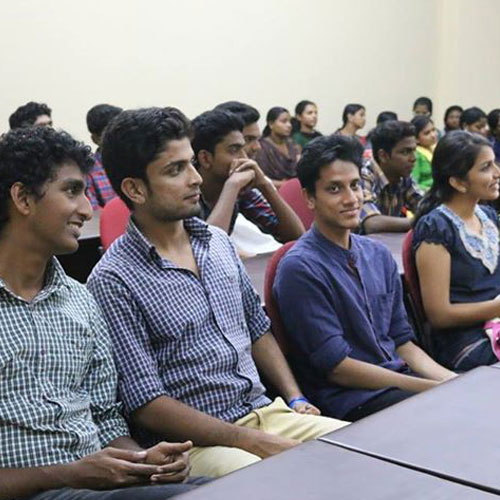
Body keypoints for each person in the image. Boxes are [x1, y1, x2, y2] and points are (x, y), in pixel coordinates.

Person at [87, 107, 347, 478]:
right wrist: (251, 441)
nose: (195, 178)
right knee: (271, 480)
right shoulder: (114, 279)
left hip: (265, 414)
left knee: (359, 450)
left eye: (192, 163)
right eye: (175, 170)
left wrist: (295, 396)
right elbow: (147, 403)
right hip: (194, 442)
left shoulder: (217, 243)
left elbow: (257, 329)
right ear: (135, 189)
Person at [0, 126, 205, 500]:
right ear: (23, 199)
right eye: (71, 191)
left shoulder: (79, 300)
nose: (86, 209)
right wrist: (66, 474)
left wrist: (142, 462)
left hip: (93, 485)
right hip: (35, 492)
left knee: (231, 488)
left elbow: (106, 420)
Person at [273, 135, 455, 421]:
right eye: (334, 189)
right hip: (351, 400)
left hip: (399, 383)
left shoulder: (378, 254)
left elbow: (402, 342)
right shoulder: (300, 269)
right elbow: (338, 368)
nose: (351, 199)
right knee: (450, 415)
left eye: (355, 185)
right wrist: (428, 388)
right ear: (309, 198)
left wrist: (452, 381)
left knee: (471, 399)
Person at [413, 131, 500, 371]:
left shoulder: (489, 216)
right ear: (458, 182)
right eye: (486, 167)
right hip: (466, 341)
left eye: (494, 163)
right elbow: (440, 315)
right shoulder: (437, 228)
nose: (497, 173)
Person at [192, 109, 303, 240]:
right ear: (205, 158)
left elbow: (297, 236)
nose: (244, 158)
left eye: (243, 149)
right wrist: (231, 187)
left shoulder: (243, 189)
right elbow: (211, 247)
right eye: (234, 150)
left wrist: (264, 185)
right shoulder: (187, 192)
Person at [360, 120, 423, 233]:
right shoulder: (364, 175)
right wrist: (418, 222)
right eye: (405, 152)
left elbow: (423, 205)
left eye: (414, 151)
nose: (413, 158)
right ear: (383, 156)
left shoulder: (403, 176)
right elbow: (371, 223)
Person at [86, 104, 122, 209]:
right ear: (95, 139)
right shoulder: (88, 171)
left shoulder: (139, 159)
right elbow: (93, 212)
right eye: (112, 134)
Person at [255, 106, 300, 187]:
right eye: (284, 121)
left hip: (295, 187)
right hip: (270, 190)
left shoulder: (292, 144)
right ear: (271, 124)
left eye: (290, 122)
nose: (289, 125)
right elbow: (260, 179)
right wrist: (287, 185)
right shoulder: (261, 147)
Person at [411, 115, 438, 190]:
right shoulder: (416, 155)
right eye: (427, 133)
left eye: (433, 130)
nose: (433, 135)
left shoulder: (436, 148)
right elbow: (414, 184)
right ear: (416, 139)